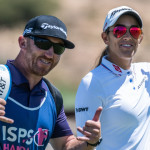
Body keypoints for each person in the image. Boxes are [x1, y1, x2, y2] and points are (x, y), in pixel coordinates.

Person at [0, 15, 101, 150]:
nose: (49, 54)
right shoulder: (2, 78)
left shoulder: (53, 97)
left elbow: (65, 146)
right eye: (43, 43)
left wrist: (90, 141)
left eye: (58, 48)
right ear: (22, 43)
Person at [75, 6, 150, 150]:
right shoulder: (91, 82)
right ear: (105, 38)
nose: (127, 36)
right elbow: (82, 146)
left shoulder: (146, 72)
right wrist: (90, 142)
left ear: (140, 38)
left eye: (134, 31)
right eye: (119, 31)